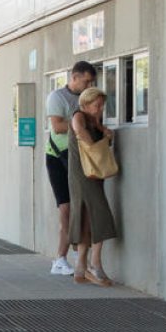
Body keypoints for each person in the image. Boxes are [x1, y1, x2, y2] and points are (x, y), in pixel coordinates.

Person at [45, 61, 96, 276]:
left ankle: (78, 254)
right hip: (59, 156)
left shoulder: (89, 97)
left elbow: (97, 121)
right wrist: (80, 124)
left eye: (91, 82)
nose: (88, 85)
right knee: (66, 209)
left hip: (81, 155)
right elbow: (56, 127)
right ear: (74, 77)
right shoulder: (57, 97)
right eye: (85, 81)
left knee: (82, 208)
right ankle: (63, 258)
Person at [69, 86, 118, 287]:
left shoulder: (94, 120)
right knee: (101, 214)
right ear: (86, 104)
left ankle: (81, 267)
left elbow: (104, 136)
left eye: (102, 106)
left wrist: (101, 128)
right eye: (97, 105)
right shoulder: (78, 116)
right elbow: (83, 135)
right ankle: (95, 263)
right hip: (83, 174)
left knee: (86, 216)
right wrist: (100, 139)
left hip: (93, 173)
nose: (100, 109)